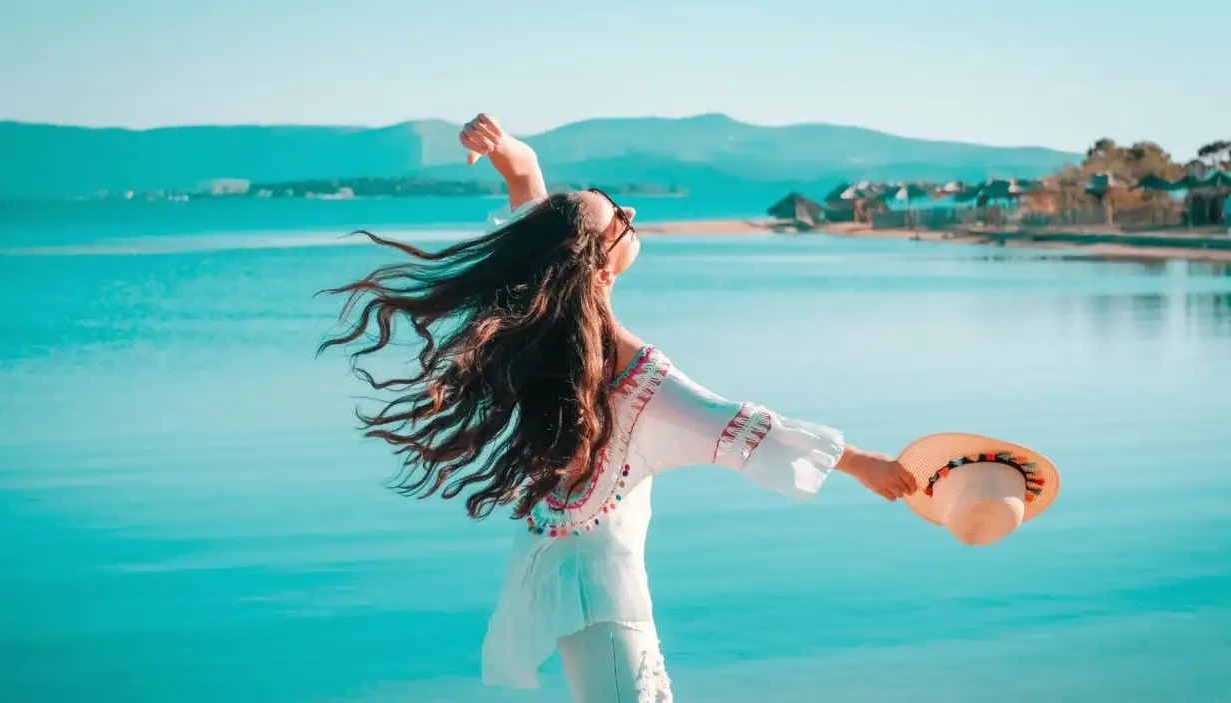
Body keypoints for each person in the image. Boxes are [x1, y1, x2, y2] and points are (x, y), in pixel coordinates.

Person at [321, 114, 917, 703]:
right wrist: (860, 461)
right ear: (599, 267)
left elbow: (539, 223)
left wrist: (516, 157)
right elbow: (742, 425)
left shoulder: (550, 335)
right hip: (608, 602)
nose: (628, 211)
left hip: (572, 582)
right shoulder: (639, 378)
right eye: (615, 213)